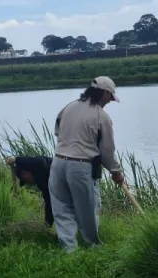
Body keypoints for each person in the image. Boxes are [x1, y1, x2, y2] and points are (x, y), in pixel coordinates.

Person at [48, 76, 125, 252]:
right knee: (88, 209)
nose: (110, 102)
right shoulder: (101, 116)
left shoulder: (68, 107)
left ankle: (69, 249)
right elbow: (106, 150)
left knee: (61, 208)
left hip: (58, 162)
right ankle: (91, 246)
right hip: (80, 167)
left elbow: (57, 131)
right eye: (110, 97)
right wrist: (116, 171)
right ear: (104, 93)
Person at [7, 155, 54, 227]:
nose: (28, 182)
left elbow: (49, 202)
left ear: (24, 172)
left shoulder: (38, 173)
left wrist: (17, 160)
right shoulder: (43, 165)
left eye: (25, 180)